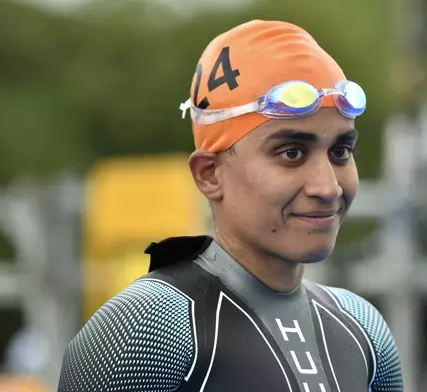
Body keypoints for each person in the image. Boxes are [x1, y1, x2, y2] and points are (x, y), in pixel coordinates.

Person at [58, 19, 404, 392]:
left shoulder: (362, 328)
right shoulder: (147, 329)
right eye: (291, 153)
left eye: (341, 151)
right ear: (209, 174)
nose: (328, 186)